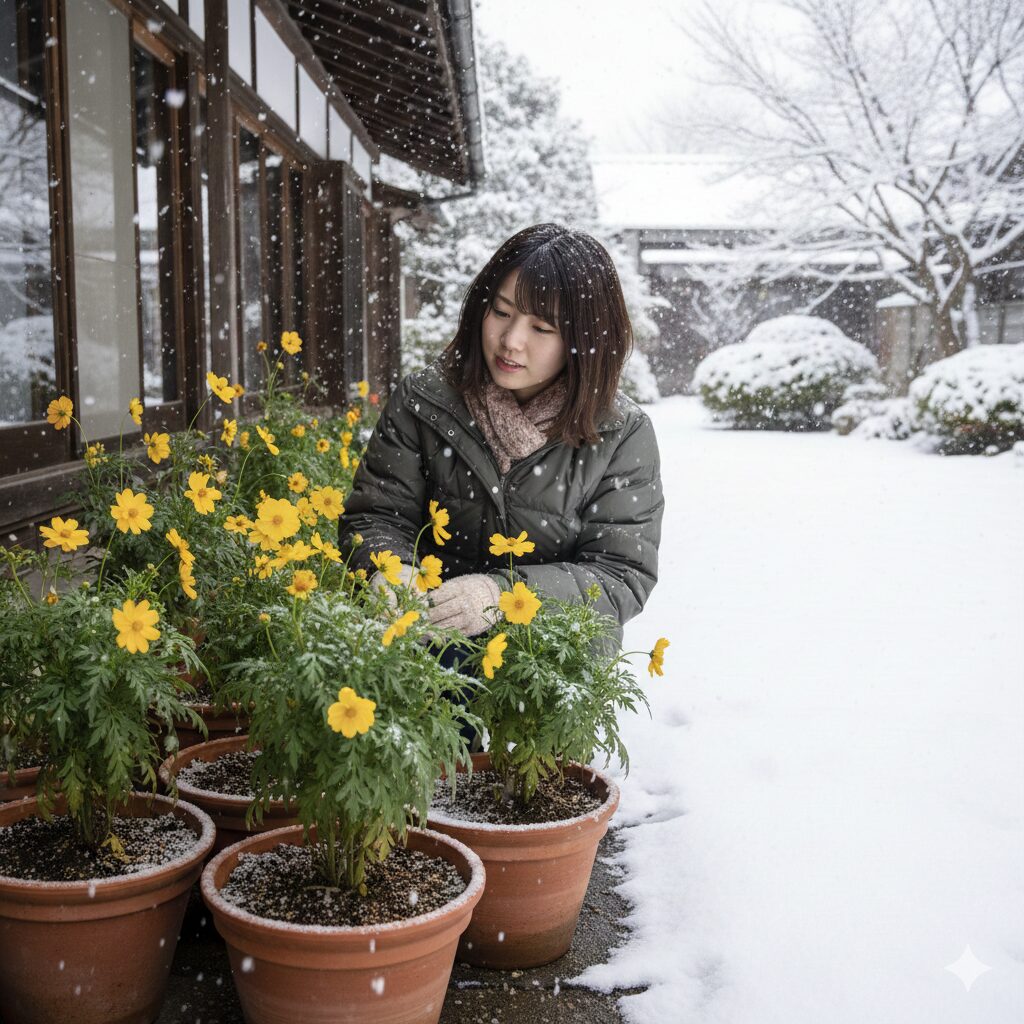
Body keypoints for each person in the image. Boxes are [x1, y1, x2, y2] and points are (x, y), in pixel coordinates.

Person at [338, 222, 664, 654]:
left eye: (542, 328)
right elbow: (377, 515)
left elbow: (620, 575)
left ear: (583, 341)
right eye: (501, 312)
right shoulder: (425, 402)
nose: (511, 341)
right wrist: (391, 570)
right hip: (424, 642)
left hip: (547, 663)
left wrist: (501, 597)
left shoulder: (621, 433)